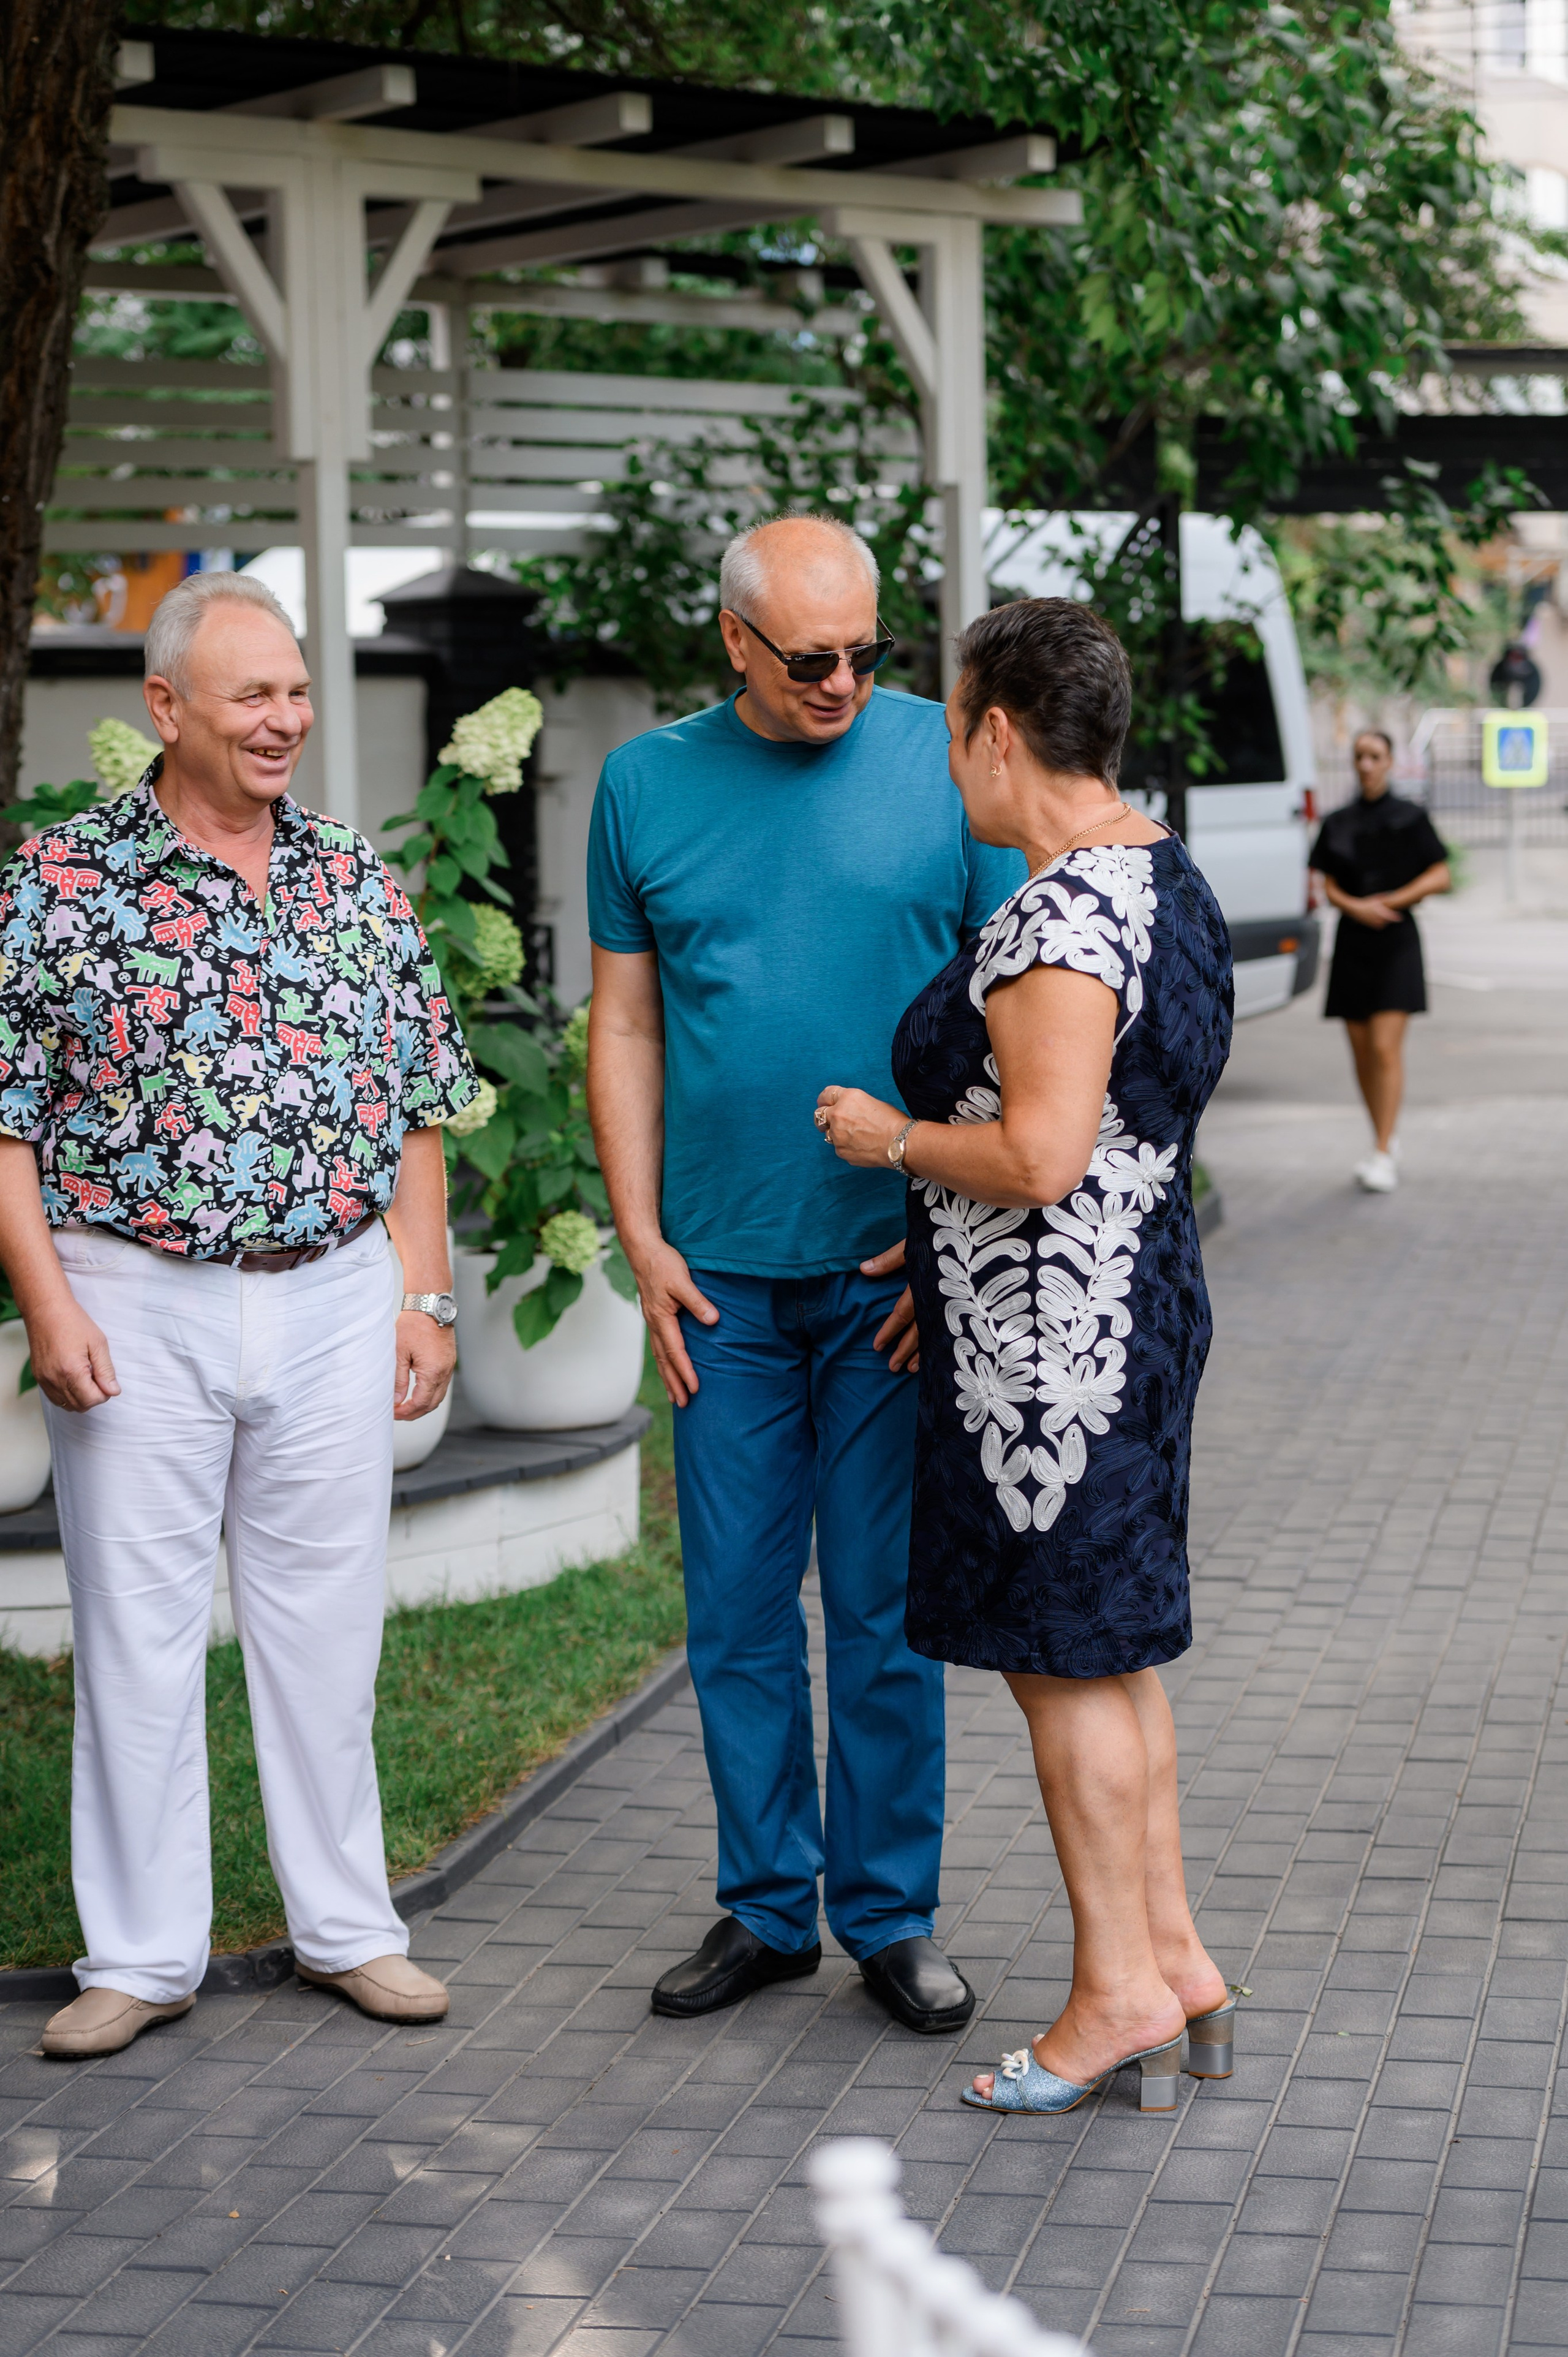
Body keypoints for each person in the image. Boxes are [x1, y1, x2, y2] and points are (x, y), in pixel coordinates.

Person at [0, 572, 480, 2060]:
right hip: (134, 1293)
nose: (286, 721)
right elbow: (4, 1123)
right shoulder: (61, 883)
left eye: (294, 692)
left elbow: (416, 1107)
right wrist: (48, 1303)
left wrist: (423, 1292)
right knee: (137, 1636)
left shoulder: (350, 876)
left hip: (336, 1292)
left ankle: (349, 1930)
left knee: (326, 1627)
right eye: (253, 696)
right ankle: (140, 1955)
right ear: (164, 709)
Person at [586, 514, 1022, 2032]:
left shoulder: (947, 760)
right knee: (736, 1612)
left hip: (888, 1274)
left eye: (864, 651)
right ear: (732, 640)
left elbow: (1006, 1016)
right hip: (721, 1283)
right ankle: (764, 1907)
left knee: (887, 1614)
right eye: (808, 658)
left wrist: (943, 1233)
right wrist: (639, 1234)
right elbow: (627, 1024)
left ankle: (888, 1915)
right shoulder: (643, 786)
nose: (842, 681)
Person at [816, 599, 1238, 2115]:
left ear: (997, 730)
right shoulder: (1153, 871)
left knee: (1061, 1671)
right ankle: (1174, 1956)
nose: (945, 760)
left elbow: (1044, 1151)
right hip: (1114, 1318)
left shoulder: (1058, 912)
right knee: (1110, 1656)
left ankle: (1112, 1989)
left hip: (1048, 1372)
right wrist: (949, 1243)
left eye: (946, 727)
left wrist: (892, 1140)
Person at [1310, 730, 1450, 1194]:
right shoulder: (1338, 821)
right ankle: (1383, 1138)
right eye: (1359, 757)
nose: (1366, 764)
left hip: (1397, 942)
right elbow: (1326, 884)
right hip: (1353, 942)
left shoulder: (1411, 817)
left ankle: (1384, 1150)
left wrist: (1391, 900)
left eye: (1375, 756)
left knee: (1386, 1050)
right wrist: (1357, 907)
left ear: (1391, 762)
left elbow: (1440, 874)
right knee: (1362, 1054)